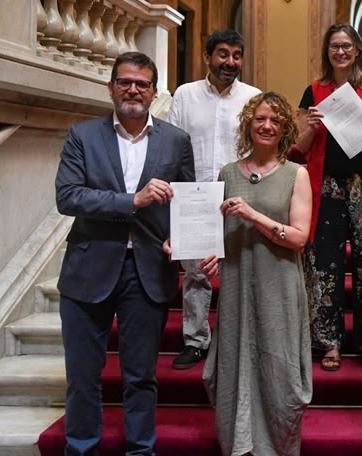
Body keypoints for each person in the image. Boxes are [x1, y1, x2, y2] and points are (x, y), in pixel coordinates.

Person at [54, 51, 195, 455]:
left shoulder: (176, 140)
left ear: (153, 92)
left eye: (142, 84)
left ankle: (140, 450)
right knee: (82, 375)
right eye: (125, 82)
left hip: (147, 271)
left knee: (141, 376)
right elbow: (68, 196)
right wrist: (132, 201)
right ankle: (80, 448)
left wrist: (181, 240)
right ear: (111, 87)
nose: (133, 89)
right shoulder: (82, 135)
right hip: (88, 268)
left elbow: (185, 202)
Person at [196, 92, 313, 456]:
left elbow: (298, 238)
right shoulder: (228, 173)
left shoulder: (297, 173)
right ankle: (239, 445)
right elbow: (217, 231)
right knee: (234, 363)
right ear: (249, 122)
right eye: (260, 118)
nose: (267, 126)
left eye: (275, 121)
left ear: (285, 130)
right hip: (237, 284)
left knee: (280, 372)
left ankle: (277, 447)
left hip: (279, 284)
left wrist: (253, 215)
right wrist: (208, 254)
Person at [296, 23, 362, 373]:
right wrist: (311, 126)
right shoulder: (314, 90)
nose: (340, 52)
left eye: (346, 46)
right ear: (327, 52)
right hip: (326, 185)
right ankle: (329, 342)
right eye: (334, 46)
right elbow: (300, 149)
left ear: (357, 50)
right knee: (325, 264)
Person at [167, 29, 261, 370]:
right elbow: (172, 144)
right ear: (207, 57)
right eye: (223, 54)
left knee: (241, 270)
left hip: (240, 194)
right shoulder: (185, 95)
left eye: (237, 55)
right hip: (193, 194)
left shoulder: (253, 97)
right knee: (195, 274)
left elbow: (261, 147)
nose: (230, 62)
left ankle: (239, 343)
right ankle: (195, 341)